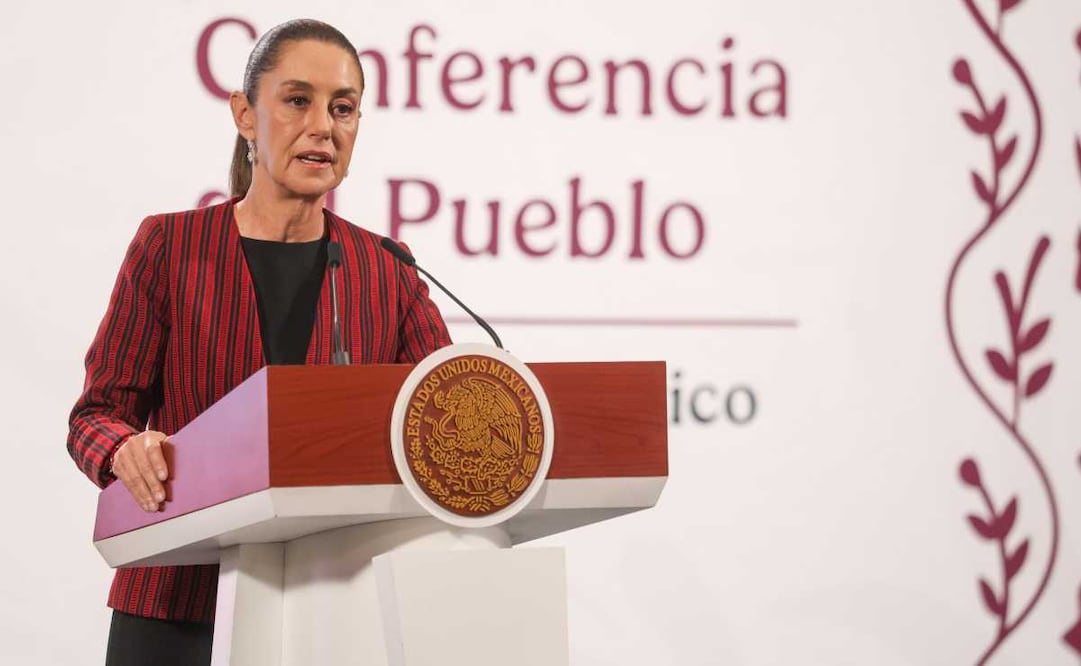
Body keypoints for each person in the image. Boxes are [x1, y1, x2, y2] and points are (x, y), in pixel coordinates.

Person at [66, 18, 452, 666]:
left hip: (330, 609)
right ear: (245, 114)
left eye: (343, 108)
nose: (323, 126)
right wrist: (124, 450)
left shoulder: (387, 268)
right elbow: (95, 415)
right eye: (298, 100)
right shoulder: (170, 247)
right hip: (176, 600)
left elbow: (448, 411)